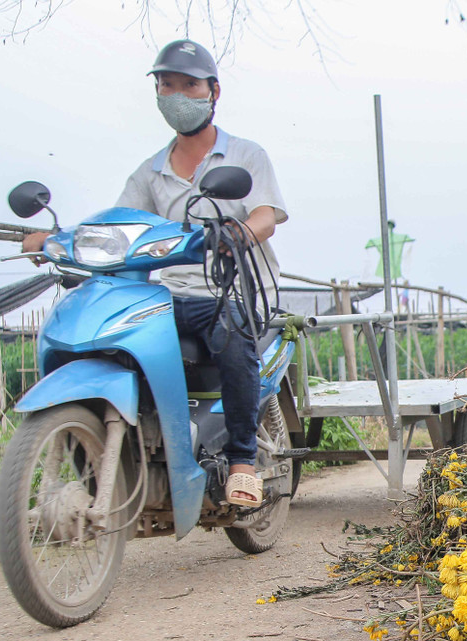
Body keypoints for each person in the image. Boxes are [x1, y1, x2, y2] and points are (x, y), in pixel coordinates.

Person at [23, 39, 288, 507]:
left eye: (190, 85)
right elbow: (117, 226)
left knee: (229, 332)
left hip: (229, 290)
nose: (178, 95)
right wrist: (57, 240)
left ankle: (243, 460)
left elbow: (266, 214)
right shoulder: (149, 172)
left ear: (213, 92)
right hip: (170, 295)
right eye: (168, 86)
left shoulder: (246, 155)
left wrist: (238, 233)